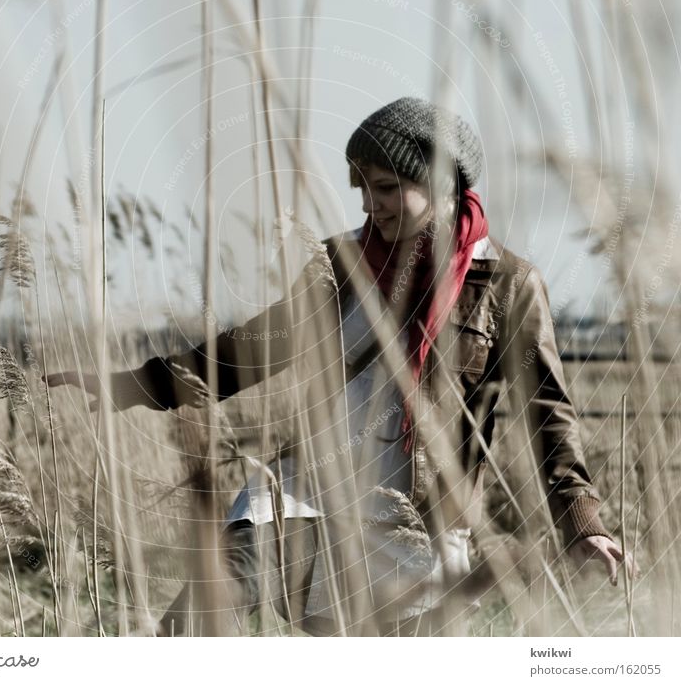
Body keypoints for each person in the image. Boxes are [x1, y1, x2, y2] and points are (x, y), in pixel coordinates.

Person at [45, 96, 633, 636]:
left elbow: (548, 416)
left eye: (386, 188)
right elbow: (252, 349)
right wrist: (135, 383)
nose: (370, 206)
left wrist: (584, 523)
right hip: (302, 493)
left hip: (412, 526)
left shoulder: (508, 284)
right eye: (362, 190)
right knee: (197, 617)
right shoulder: (339, 262)